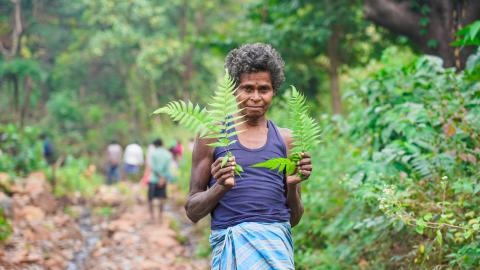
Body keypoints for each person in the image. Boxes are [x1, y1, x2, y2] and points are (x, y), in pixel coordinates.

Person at [185, 43, 313, 269]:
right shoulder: (212, 136)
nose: (256, 97)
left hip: (276, 254)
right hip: (232, 253)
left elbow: (293, 219)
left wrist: (292, 186)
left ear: (274, 91)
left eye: (264, 89)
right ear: (234, 90)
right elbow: (192, 211)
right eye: (247, 88)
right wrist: (220, 187)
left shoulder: (286, 140)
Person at [148, 138, 173, 223]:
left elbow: (153, 167)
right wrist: (163, 178)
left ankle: (152, 217)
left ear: (155, 145)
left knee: (150, 199)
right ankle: (160, 217)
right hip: (164, 180)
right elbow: (167, 169)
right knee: (161, 198)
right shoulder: (168, 154)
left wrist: (159, 177)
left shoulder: (154, 153)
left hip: (154, 179)